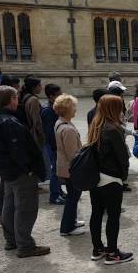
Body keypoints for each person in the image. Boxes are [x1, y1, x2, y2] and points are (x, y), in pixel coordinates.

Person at [0, 85, 49, 258]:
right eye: (15, 97)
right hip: (19, 172)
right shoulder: (8, 122)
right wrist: (29, 169)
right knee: (25, 208)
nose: (18, 100)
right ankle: (25, 245)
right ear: (10, 100)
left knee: (10, 204)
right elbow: (19, 151)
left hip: (6, 170)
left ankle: (12, 239)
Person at [87, 94, 133, 264]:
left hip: (95, 177)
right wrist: (124, 176)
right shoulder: (114, 129)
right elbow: (122, 156)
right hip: (110, 177)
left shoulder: (96, 125)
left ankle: (97, 248)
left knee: (96, 213)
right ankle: (113, 252)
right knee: (113, 216)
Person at [54, 94, 86, 236]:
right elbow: (73, 154)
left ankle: (71, 221)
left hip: (64, 166)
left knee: (73, 196)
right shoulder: (68, 129)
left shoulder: (61, 123)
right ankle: (67, 227)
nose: (75, 110)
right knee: (73, 197)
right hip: (70, 169)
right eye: (73, 107)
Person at [41, 83, 67, 205]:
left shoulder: (55, 108)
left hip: (56, 144)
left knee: (59, 169)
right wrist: (56, 147)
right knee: (55, 170)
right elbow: (49, 132)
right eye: (58, 94)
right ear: (51, 96)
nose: (61, 96)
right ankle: (54, 195)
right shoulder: (48, 111)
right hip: (53, 146)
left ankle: (59, 191)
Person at [107, 80, 133, 192]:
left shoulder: (116, 105)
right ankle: (120, 182)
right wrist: (131, 133)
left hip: (121, 137)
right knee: (122, 158)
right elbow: (117, 126)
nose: (122, 96)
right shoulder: (111, 108)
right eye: (120, 93)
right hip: (117, 138)